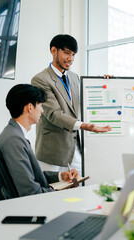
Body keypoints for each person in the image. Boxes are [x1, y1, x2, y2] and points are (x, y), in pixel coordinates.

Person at [31, 34, 111, 174]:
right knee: (51, 192)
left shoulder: (74, 77)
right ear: (54, 50)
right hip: (52, 152)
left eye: (73, 55)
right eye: (67, 53)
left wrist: (102, 84)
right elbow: (54, 114)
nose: (70, 59)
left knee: (78, 189)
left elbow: (82, 103)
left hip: (75, 150)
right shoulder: (40, 79)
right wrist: (84, 125)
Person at [0, 84, 79, 197]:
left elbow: (31, 175)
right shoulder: (14, 140)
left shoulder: (13, 134)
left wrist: (60, 177)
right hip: (35, 204)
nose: (42, 111)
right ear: (30, 107)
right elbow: (30, 191)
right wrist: (62, 192)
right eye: (40, 105)